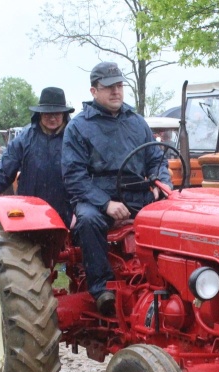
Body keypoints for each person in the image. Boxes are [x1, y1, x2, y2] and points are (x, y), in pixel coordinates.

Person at [62, 62, 172, 315]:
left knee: (175, 216)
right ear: (94, 91)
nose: (116, 92)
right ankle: (102, 289)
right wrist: (106, 204)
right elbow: (74, 176)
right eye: (109, 87)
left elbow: (155, 159)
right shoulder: (78, 127)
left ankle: (166, 281)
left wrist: (160, 181)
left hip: (137, 191)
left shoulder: (137, 122)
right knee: (88, 221)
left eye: (120, 86)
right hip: (97, 197)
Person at [0, 87, 75, 223]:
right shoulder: (25, 137)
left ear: (64, 114)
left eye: (57, 114)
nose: (52, 118)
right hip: (31, 211)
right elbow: (4, 169)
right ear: (40, 114)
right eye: (47, 114)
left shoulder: (75, 138)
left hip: (67, 212)